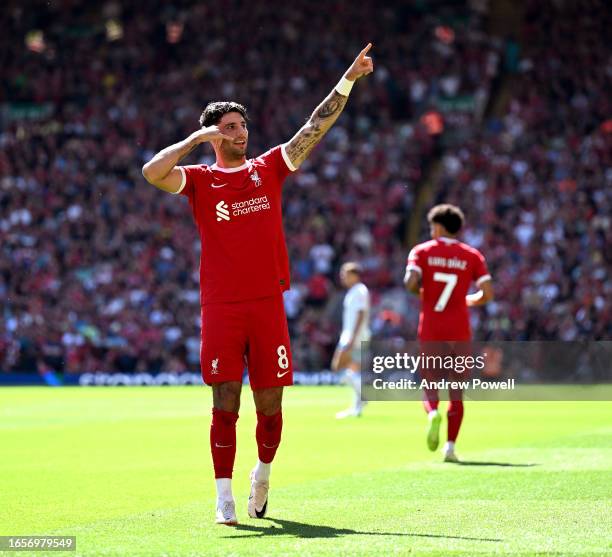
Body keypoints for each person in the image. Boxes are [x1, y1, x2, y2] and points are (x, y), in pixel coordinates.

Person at [141, 44, 374, 525]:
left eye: (242, 126)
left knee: (270, 404)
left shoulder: (267, 169)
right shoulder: (200, 180)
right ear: (214, 134)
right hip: (222, 306)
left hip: (268, 303)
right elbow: (151, 173)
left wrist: (347, 80)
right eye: (229, 128)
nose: (240, 133)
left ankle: (262, 474)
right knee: (223, 400)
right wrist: (195, 139)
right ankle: (223, 494)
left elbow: (314, 127)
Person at [404, 204, 493, 462]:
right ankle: (451, 448)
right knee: (457, 391)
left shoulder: (422, 251)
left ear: (439, 227)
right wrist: (469, 300)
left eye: (432, 227)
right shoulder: (472, 255)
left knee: (429, 384)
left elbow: (410, 283)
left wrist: (421, 292)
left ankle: (432, 413)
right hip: (459, 331)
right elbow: (488, 293)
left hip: (431, 329)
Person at [331, 262, 371, 418]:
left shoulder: (359, 290)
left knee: (337, 366)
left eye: (346, 274)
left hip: (354, 336)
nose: (343, 277)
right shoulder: (355, 291)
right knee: (353, 370)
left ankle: (363, 394)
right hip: (353, 335)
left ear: (355, 275)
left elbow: (361, 314)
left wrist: (353, 337)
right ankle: (356, 408)